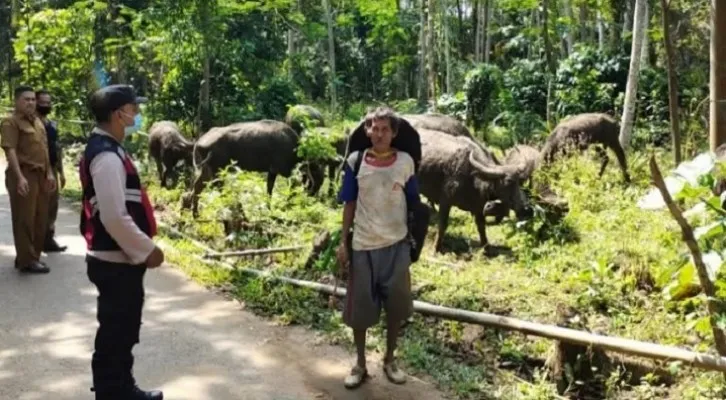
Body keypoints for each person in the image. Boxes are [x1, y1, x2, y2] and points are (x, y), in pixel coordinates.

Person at [79, 84, 165, 400]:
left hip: (117, 258)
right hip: (115, 260)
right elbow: (114, 217)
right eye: (133, 107)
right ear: (119, 114)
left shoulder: (109, 148)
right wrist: (147, 251)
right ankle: (113, 390)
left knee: (122, 328)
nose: (138, 113)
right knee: (117, 329)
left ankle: (119, 386)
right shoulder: (106, 156)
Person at [336, 106, 420, 389]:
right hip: (363, 246)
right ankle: (360, 363)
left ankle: (390, 359)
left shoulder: (406, 162)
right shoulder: (356, 161)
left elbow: (414, 204)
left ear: (394, 133)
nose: (380, 133)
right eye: (375, 127)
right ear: (367, 130)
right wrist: (342, 243)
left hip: (396, 246)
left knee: (395, 309)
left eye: (386, 129)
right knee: (359, 311)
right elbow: (349, 204)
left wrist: (413, 242)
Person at [0, 85, 55, 273]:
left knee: (40, 218)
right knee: (25, 219)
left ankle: (31, 256)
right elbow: (10, 150)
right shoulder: (10, 122)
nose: (31, 102)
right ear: (17, 101)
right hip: (24, 175)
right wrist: (20, 177)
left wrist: (49, 173)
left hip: (41, 175)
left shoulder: (38, 123)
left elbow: (45, 149)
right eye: (26, 99)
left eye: (33, 99)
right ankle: (27, 260)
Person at [36, 89, 67, 252]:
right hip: (39, 170)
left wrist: (61, 172)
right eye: (42, 102)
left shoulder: (51, 124)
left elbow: (57, 148)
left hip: (53, 168)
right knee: (39, 207)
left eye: (48, 102)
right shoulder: (33, 123)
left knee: (52, 206)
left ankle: (48, 239)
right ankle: (35, 244)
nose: (46, 105)